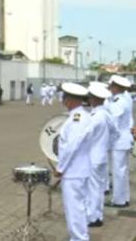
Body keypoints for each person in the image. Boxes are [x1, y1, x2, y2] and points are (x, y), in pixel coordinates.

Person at [53, 82, 92, 241]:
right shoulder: (83, 115)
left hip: (74, 171)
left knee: (74, 209)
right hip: (79, 169)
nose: (63, 101)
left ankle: (79, 238)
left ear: (70, 100)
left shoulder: (77, 118)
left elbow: (71, 146)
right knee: (78, 208)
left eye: (64, 98)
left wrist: (60, 168)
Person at [84, 83, 119, 227]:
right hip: (102, 156)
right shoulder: (106, 114)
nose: (89, 100)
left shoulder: (95, 116)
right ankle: (97, 215)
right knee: (98, 188)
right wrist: (106, 146)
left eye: (90, 97)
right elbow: (115, 133)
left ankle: (92, 217)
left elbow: (85, 136)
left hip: (92, 157)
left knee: (92, 188)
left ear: (94, 99)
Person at [106, 75, 133, 208]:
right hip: (124, 140)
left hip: (118, 141)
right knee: (123, 171)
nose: (110, 88)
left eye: (111, 86)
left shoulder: (118, 102)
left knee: (118, 172)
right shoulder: (124, 99)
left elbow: (114, 124)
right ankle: (124, 198)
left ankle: (118, 200)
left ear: (116, 87)